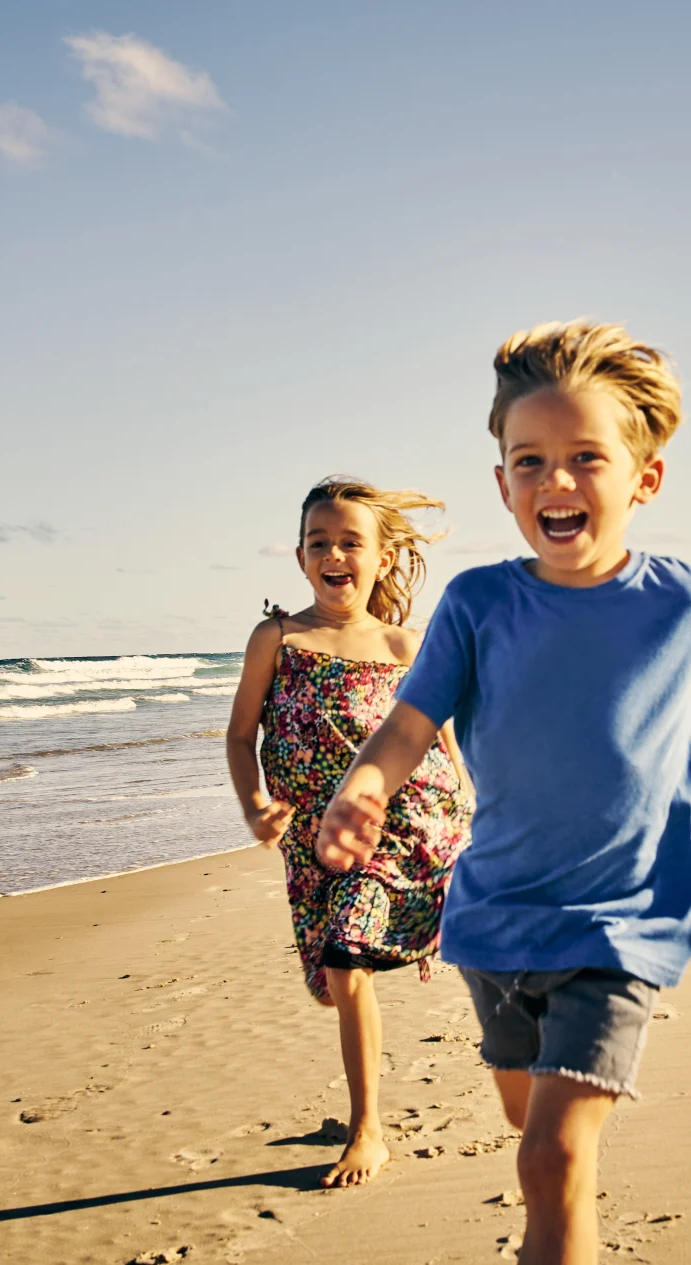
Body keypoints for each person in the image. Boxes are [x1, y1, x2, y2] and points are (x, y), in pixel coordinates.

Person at [312, 322, 691, 1264]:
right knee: (542, 1157)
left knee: (553, 1155)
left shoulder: (678, 597)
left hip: (623, 921)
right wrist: (364, 784)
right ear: (502, 484)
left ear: (644, 478)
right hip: (494, 922)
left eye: (584, 459)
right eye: (530, 461)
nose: (554, 482)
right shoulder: (480, 603)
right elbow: (410, 722)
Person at [225, 477, 472, 1189]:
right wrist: (255, 804)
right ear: (301, 556)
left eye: (350, 542)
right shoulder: (277, 638)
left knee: (346, 957)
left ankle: (369, 1130)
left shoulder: (403, 643)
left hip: (407, 827)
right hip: (314, 843)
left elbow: (446, 743)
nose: (334, 553)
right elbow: (242, 736)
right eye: (319, 542)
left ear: (384, 557)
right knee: (335, 978)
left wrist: (475, 804)